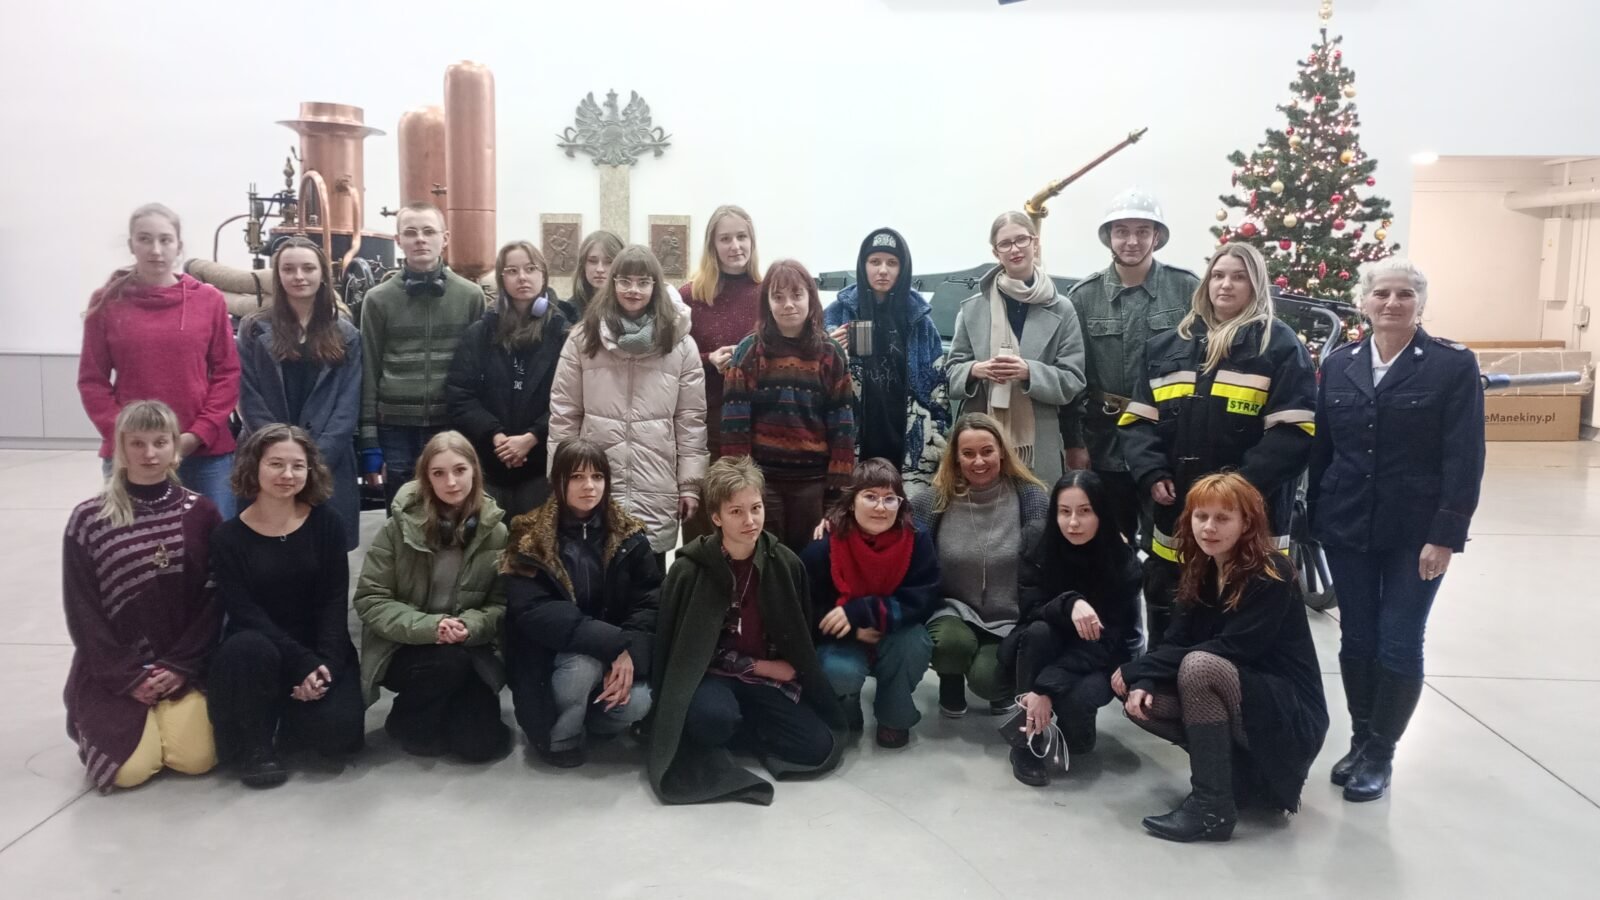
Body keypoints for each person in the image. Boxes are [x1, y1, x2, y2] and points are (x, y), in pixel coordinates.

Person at [1308, 258, 1484, 803]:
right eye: (1381, 293)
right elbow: (1323, 450)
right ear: (1363, 302)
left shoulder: (1451, 365)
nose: (1392, 303)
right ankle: (1360, 740)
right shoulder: (1339, 364)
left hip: (1416, 531)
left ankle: (1382, 752)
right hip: (1348, 525)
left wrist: (1446, 534)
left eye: (1404, 294)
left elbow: (1464, 456)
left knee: (1400, 639)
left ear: (1420, 304)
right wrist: (1316, 519)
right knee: (1358, 638)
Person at [1119, 243, 1316, 648]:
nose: (1226, 285)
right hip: (1176, 513)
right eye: (1218, 275)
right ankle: (1163, 680)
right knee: (1169, 611)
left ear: (1256, 285)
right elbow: (1137, 421)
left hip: (1251, 514)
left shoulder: (1280, 347)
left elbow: (1295, 433)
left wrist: (1235, 491)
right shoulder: (1165, 348)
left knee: (1239, 621)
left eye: (1239, 277)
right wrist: (1151, 471)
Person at [1114, 473, 1329, 843]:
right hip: (1242, 696)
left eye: (1222, 518)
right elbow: (1175, 639)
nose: (1209, 528)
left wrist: (1139, 665)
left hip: (1288, 712)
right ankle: (1233, 778)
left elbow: (1235, 648)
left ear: (1247, 523)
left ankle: (1211, 808)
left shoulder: (1272, 571)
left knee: (1200, 667)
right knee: (1142, 699)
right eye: (1201, 517)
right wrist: (1143, 678)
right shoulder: (1202, 565)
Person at [648, 456, 844, 805]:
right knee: (711, 720)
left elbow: (799, 634)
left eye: (756, 508)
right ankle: (733, 724)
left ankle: (743, 727)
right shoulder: (689, 570)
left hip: (764, 685)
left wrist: (774, 670)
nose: (750, 520)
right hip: (713, 678)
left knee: (816, 747)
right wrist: (761, 666)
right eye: (736, 512)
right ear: (716, 517)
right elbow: (679, 649)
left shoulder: (785, 564)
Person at [61, 400, 222, 790]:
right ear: (120, 447)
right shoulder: (90, 519)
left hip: (183, 664)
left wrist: (180, 665)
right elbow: (82, 610)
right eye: (137, 443)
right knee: (129, 772)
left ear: (175, 447)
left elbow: (214, 599)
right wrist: (128, 676)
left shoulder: (202, 513)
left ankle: (165, 714)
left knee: (196, 760)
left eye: (160, 442)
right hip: (113, 669)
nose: (149, 453)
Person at [209, 425, 364, 788]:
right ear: (254, 466)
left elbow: (333, 602)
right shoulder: (227, 537)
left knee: (338, 738)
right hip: (257, 651)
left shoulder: (327, 523)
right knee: (249, 647)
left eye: (298, 466)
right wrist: (301, 662)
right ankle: (257, 746)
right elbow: (245, 613)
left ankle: (292, 713)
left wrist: (324, 666)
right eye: (276, 464)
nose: (287, 475)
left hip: (316, 647)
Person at [353, 430, 511, 762]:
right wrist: (432, 627)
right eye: (438, 473)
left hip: (467, 646)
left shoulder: (496, 532)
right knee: (446, 667)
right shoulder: (396, 529)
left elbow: (500, 603)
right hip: (404, 646)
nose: (451, 482)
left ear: (474, 471)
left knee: (481, 745)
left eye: (460, 470)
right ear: (426, 478)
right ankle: (406, 719)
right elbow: (371, 599)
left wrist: (471, 626)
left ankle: (449, 710)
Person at [503, 440, 659, 768]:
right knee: (582, 666)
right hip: (551, 660)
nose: (589, 486)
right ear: (558, 481)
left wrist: (630, 652)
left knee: (640, 702)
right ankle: (561, 737)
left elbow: (649, 602)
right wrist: (615, 644)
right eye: (577, 477)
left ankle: (595, 722)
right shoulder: (528, 536)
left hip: (614, 653)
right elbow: (532, 610)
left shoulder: (630, 535)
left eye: (597, 476)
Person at [78, 203, 241, 518]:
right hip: (134, 453)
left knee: (212, 539)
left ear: (178, 246)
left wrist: (198, 434)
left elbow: (227, 373)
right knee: (131, 538)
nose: (156, 250)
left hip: (201, 452)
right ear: (132, 245)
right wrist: (128, 438)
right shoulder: (107, 302)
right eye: (145, 239)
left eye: (165, 240)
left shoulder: (208, 300)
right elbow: (92, 380)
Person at [549, 244, 708, 567]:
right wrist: (561, 478)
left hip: (656, 481)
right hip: (594, 482)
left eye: (643, 282)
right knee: (593, 580)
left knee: (648, 584)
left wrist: (690, 485)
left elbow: (690, 420)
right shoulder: (583, 338)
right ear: (612, 283)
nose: (633, 290)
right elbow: (564, 414)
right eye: (625, 281)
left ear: (655, 286)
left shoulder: (680, 344)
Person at [1060, 189, 1199, 549]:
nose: (1132, 241)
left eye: (1142, 231)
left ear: (1157, 236)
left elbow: (1203, 363)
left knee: (1169, 545)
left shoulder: (1186, 289)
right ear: (1109, 237)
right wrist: (1074, 442)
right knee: (1107, 546)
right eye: (1122, 231)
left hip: (1166, 441)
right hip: (1103, 442)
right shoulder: (1083, 297)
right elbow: (1074, 377)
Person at [998, 470, 1142, 786]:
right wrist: (1069, 603)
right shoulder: (1037, 541)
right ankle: (1026, 742)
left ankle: (1072, 723)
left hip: (1097, 656)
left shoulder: (1122, 562)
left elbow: (1108, 640)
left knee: (1078, 723)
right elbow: (1031, 609)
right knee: (1038, 632)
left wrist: (1045, 689)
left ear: (1101, 513)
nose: (1073, 522)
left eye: (1084, 511)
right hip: (1043, 645)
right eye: (1064, 512)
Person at [911, 413, 1049, 717]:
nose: (978, 461)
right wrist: (836, 521)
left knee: (989, 682)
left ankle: (995, 678)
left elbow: (1060, 547)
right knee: (950, 645)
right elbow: (884, 524)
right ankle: (950, 679)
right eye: (968, 453)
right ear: (956, 458)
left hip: (1009, 616)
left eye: (987, 451)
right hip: (952, 611)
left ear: (1002, 452)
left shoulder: (1031, 498)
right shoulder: (932, 501)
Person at [800, 459, 938, 749]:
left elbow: (923, 599)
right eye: (870, 497)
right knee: (839, 671)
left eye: (890, 499)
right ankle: (846, 706)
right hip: (843, 636)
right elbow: (806, 608)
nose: (880, 507)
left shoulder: (917, 538)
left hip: (894, 630)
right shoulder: (824, 544)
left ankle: (893, 714)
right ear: (851, 502)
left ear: (901, 503)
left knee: (915, 644)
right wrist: (852, 630)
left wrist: (863, 611)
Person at [720, 259, 856, 551]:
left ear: (811, 298)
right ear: (767, 303)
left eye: (796, 295)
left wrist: (837, 493)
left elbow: (843, 428)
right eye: (778, 297)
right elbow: (734, 429)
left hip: (813, 483)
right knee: (765, 559)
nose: (788, 305)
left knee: (807, 562)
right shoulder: (749, 351)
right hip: (761, 483)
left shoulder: (831, 353)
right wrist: (741, 486)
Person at [237, 237, 363, 549]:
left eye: (308, 268)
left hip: (327, 460)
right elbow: (248, 397)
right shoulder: (253, 329)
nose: (299, 276)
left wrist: (311, 462)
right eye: (288, 269)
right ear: (277, 275)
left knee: (323, 550)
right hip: (264, 457)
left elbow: (347, 406)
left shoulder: (347, 334)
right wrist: (278, 457)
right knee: (266, 549)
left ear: (322, 274)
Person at [359, 201, 486, 510]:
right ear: (398, 240)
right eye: (410, 232)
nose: (420, 239)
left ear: (445, 238)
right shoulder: (377, 300)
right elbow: (369, 371)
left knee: (453, 510)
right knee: (403, 511)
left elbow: (481, 371)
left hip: (451, 424)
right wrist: (369, 441)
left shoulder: (471, 296)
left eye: (429, 231)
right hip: (395, 428)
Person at [947, 211, 1086, 488]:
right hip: (980, 440)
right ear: (995, 252)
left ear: (1035, 243)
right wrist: (976, 370)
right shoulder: (973, 309)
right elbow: (950, 374)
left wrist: (1029, 372)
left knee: (1037, 508)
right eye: (1005, 244)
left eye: (1021, 240)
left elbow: (1073, 379)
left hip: (1039, 438)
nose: (1015, 249)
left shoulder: (1063, 309)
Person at [446, 239, 571, 518]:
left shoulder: (563, 333)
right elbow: (460, 395)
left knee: (535, 541)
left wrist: (531, 437)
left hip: (541, 465)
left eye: (530, 269)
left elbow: (571, 399)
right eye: (512, 271)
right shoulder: (480, 333)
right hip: (489, 462)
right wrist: (496, 435)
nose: (522, 277)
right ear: (501, 279)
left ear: (543, 275)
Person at [823, 227, 949, 490]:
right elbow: (813, 383)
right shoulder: (836, 315)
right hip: (852, 443)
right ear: (863, 265)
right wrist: (827, 351)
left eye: (892, 263)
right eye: (875, 261)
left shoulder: (921, 322)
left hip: (908, 448)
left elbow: (939, 390)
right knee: (851, 511)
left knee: (904, 512)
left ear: (903, 268)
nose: (883, 270)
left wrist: (936, 441)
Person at [680, 205, 764, 543]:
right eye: (725, 239)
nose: (735, 246)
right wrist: (707, 359)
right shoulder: (690, 296)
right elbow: (671, 359)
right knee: (705, 522)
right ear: (712, 245)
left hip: (756, 425)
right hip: (706, 425)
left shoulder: (766, 292)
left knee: (747, 521)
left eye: (742, 237)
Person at [561, 230, 623, 322]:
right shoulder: (568, 312)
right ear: (583, 265)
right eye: (593, 261)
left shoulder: (632, 308)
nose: (600, 269)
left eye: (609, 262)